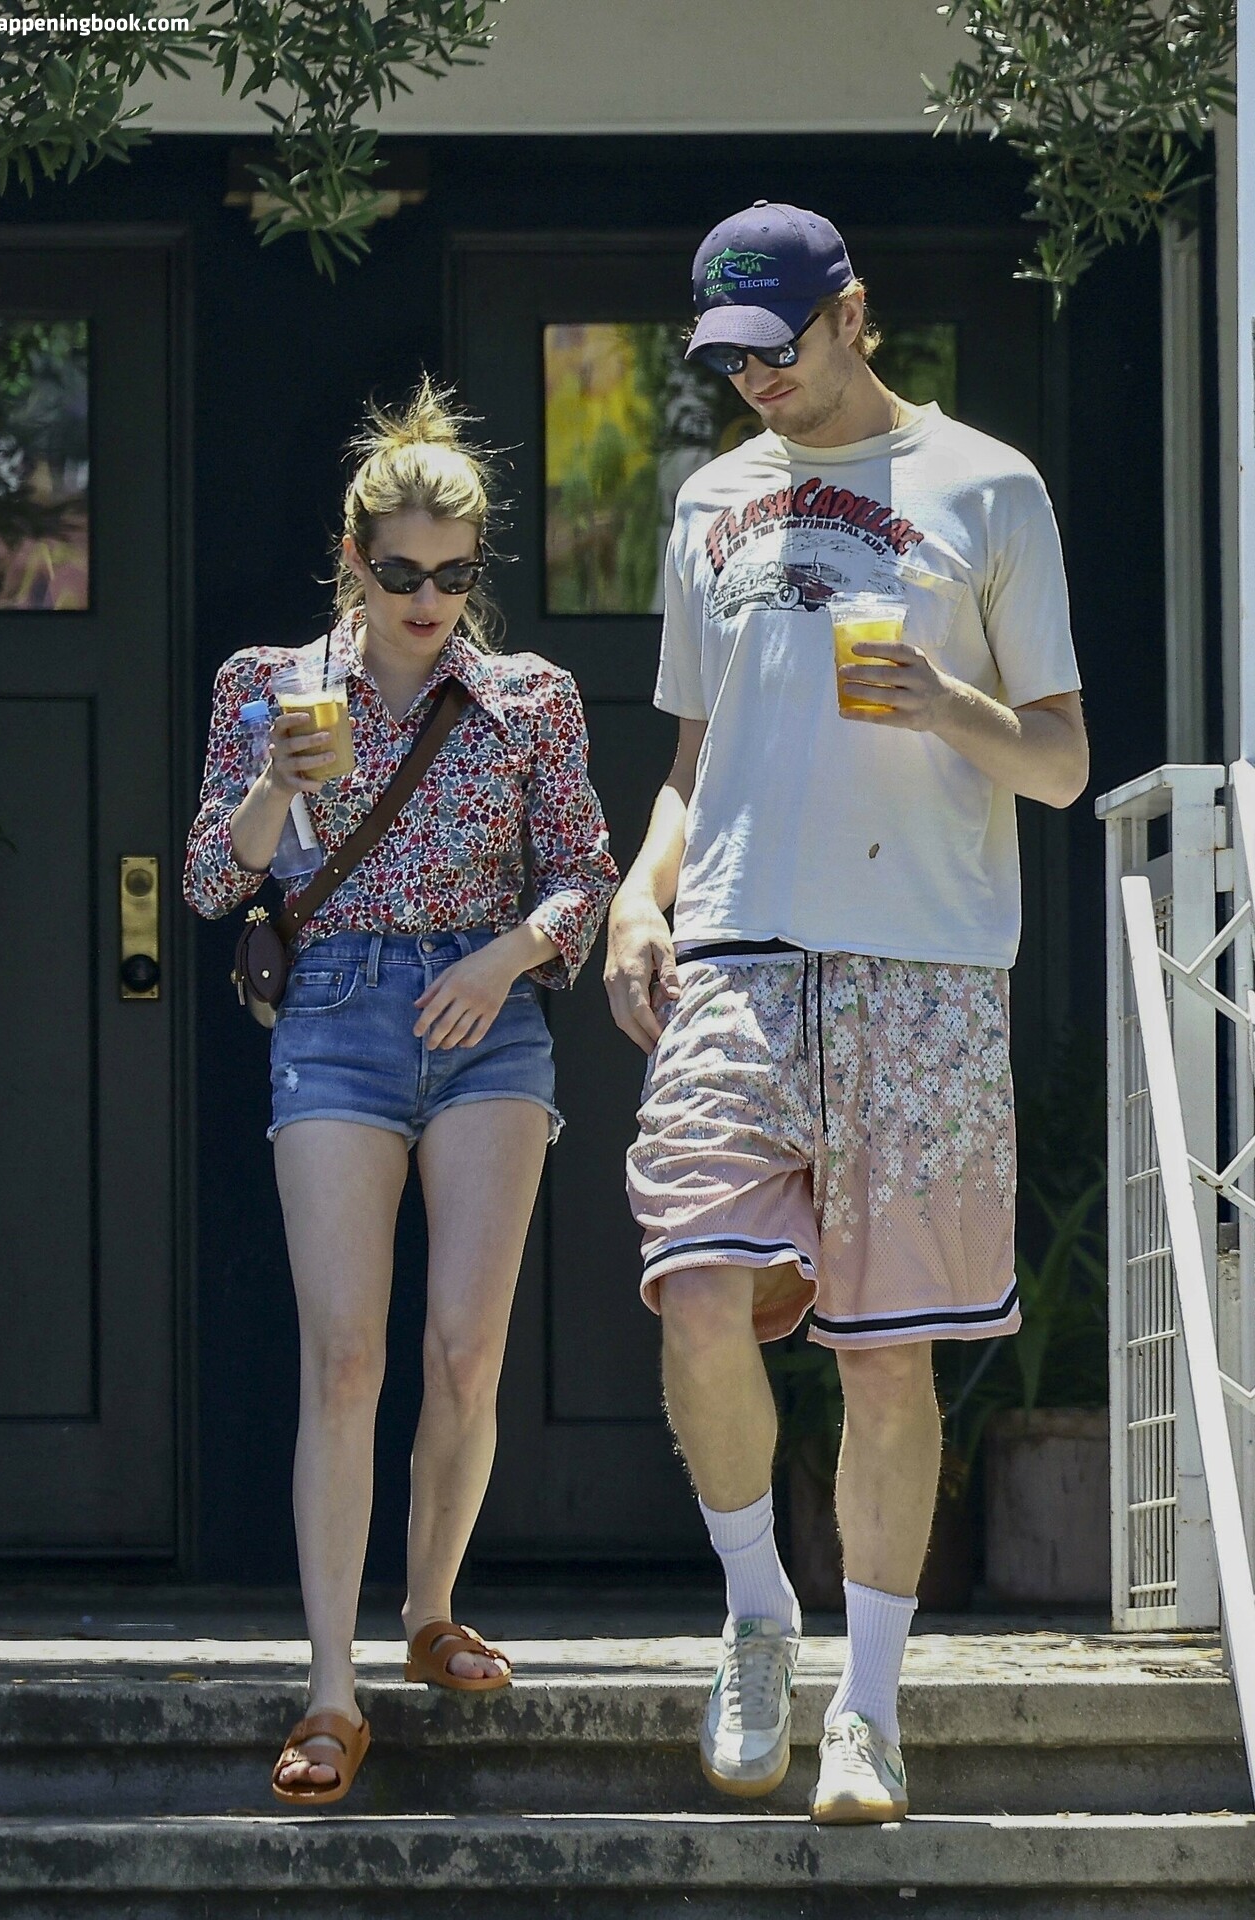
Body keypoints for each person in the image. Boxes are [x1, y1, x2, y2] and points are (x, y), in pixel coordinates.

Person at [604, 202, 1087, 1823]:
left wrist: (947, 703)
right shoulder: (707, 501)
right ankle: (758, 1609)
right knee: (695, 1286)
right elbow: (693, 761)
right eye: (728, 357)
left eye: (779, 348)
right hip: (737, 947)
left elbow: (1062, 760)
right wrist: (637, 893)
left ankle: (870, 1710)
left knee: (886, 1365)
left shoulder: (989, 486)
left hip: (926, 963)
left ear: (854, 313)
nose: (755, 381)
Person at [185, 377, 618, 1807]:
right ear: (353, 559)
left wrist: (508, 956)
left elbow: (586, 875)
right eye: (400, 573)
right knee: (345, 1358)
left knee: (464, 1351)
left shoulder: (528, 698)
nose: (427, 601)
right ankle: (330, 1688)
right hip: (335, 1012)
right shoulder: (269, 686)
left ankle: (430, 1609)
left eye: (453, 575)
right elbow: (211, 879)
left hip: (487, 1021)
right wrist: (272, 786)